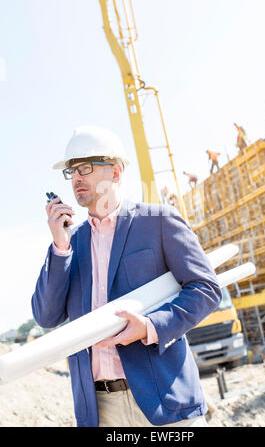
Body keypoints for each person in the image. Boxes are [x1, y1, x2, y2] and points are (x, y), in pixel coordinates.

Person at [32, 125, 221, 428]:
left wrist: (149, 327)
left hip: (163, 401)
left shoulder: (158, 221)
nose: (77, 178)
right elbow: (46, 316)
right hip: (100, 411)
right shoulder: (70, 244)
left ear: (116, 172)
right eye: (72, 171)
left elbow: (206, 289)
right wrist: (60, 247)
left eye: (85, 167)